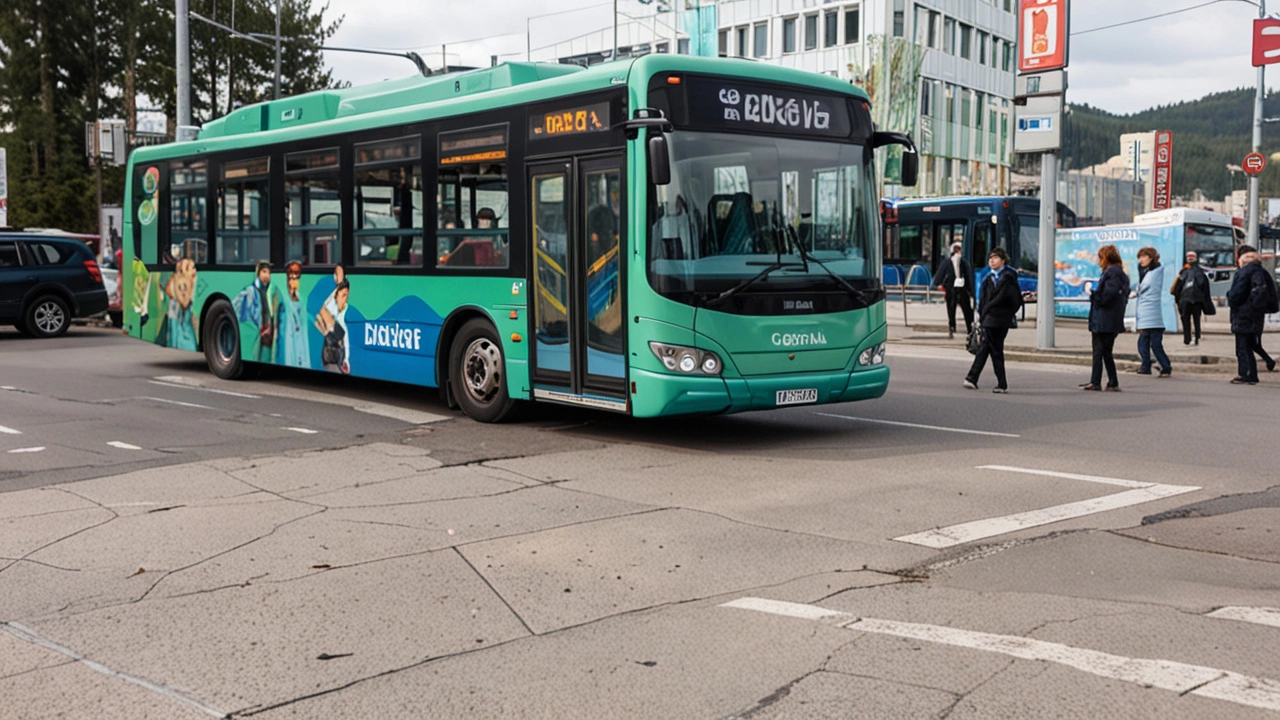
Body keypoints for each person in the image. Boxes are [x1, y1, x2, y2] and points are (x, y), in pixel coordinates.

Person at [963, 248, 1022, 394]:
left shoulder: (1009, 279)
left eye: (995, 258)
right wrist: (981, 315)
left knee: (992, 349)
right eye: (990, 258)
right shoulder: (988, 279)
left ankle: (991, 381)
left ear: (1003, 260)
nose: (992, 261)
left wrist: (1006, 313)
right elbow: (982, 300)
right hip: (988, 319)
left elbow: (1016, 301)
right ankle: (976, 378)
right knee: (990, 348)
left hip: (1000, 320)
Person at [1082, 244, 1129, 391]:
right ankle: (1112, 382)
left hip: (1104, 319)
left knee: (1098, 350)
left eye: (1100, 258)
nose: (1098, 261)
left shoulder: (1112, 272)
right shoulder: (1120, 273)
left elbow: (1109, 294)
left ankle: (1096, 382)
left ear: (1106, 258)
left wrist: (1095, 295)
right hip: (1111, 319)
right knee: (1106, 351)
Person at [1227, 245, 1277, 385]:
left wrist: (1236, 300)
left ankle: (1247, 374)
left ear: (1241, 258)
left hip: (1244, 315)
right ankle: (1252, 374)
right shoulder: (1261, 271)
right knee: (1250, 344)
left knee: (1243, 346)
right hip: (1255, 315)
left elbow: (1236, 295)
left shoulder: (1245, 272)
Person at [1133, 246, 1172, 377]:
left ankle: (1160, 366)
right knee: (1148, 343)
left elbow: (1143, 287)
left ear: (1151, 257)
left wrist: (1134, 292)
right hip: (1147, 315)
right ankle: (1151, 365)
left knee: (1150, 344)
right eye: (1139, 257)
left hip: (1150, 314)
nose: (1141, 260)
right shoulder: (1147, 271)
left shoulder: (1153, 272)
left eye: (1144, 256)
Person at [932, 241, 975, 340]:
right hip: (951, 288)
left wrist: (971, 291)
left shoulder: (964, 262)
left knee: (966, 308)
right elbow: (940, 274)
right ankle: (952, 327)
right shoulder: (948, 262)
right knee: (951, 308)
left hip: (962, 289)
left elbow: (968, 276)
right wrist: (937, 284)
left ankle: (969, 327)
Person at [1172, 251, 1211, 346]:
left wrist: (1177, 300)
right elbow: (1205, 288)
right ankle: (1196, 337)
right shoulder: (1200, 272)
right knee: (1196, 319)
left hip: (1185, 299)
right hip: (1196, 300)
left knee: (1186, 319)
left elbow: (1177, 287)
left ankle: (1187, 339)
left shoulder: (1183, 272)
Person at [278, 261, 310, 368]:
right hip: (289, 338)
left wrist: (295, 294)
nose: (294, 276)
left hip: (299, 339)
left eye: (297, 273)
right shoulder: (282, 295)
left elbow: (303, 318)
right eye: (291, 273)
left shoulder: (301, 298)